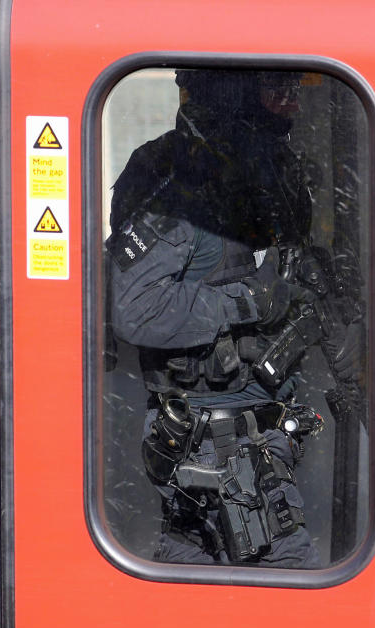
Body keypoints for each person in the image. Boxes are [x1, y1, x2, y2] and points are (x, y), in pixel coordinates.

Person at [107, 69, 334, 567]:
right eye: (278, 91)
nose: (293, 107)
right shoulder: (183, 190)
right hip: (216, 441)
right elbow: (134, 309)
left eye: (294, 91)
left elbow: (286, 275)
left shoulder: (269, 175)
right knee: (290, 588)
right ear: (235, 98)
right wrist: (246, 302)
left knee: (200, 581)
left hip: (254, 430)